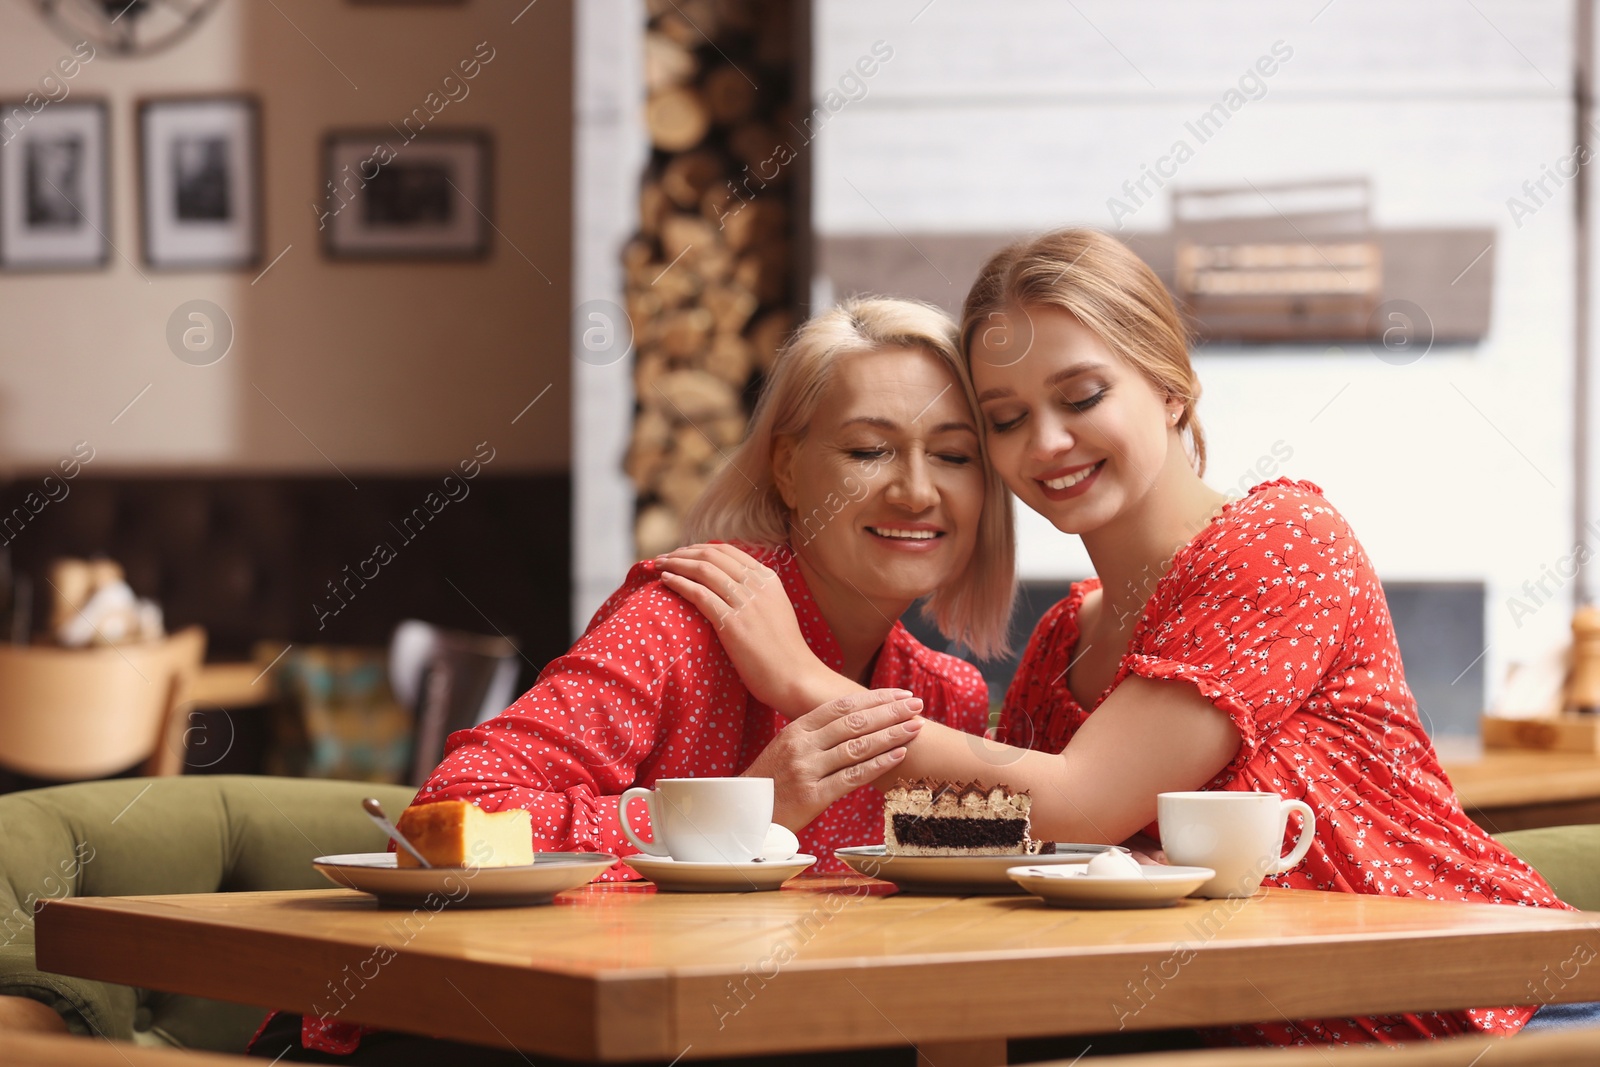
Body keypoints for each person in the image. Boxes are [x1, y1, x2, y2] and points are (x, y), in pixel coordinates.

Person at [657, 230, 1592, 1048]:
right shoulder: (1064, 640)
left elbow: (1081, 803)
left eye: (1082, 394)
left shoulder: (1281, 543)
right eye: (1006, 420)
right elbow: (1011, 851)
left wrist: (798, 676)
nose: (1048, 442)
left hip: (1497, 1013)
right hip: (1269, 1040)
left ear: (1172, 386)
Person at [251, 295, 1014, 1061]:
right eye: (868, 450)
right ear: (786, 468)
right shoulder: (683, 622)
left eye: (954, 455)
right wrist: (730, 819)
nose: (917, 490)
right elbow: (460, 808)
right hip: (465, 1033)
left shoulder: (945, 695)